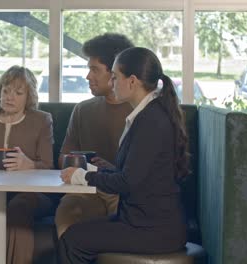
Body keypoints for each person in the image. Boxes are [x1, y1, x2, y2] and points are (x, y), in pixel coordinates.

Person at [58, 47, 189, 263]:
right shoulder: (147, 115)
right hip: (142, 222)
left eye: (115, 77)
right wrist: (95, 169)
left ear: (132, 81)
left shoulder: (151, 121)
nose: (111, 83)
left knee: (74, 239)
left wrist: (80, 176)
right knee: (75, 233)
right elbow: (134, 173)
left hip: (154, 230)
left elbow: (127, 182)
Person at [0, 65, 54, 264]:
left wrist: (29, 164)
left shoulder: (42, 120)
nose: (9, 97)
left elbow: (48, 165)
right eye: (6, 90)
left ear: (29, 96)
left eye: (18, 92)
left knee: (18, 208)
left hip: (31, 193)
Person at [55, 33, 134, 238]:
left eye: (94, 70)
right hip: (86, 188)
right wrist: (83, 165)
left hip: (123, 192)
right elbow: (62, 158)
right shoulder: (82, 110)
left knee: (125, 214)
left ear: (116, 72)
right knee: (68, 210)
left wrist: (111, 171)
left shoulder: (142, 113)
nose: (88, 76)